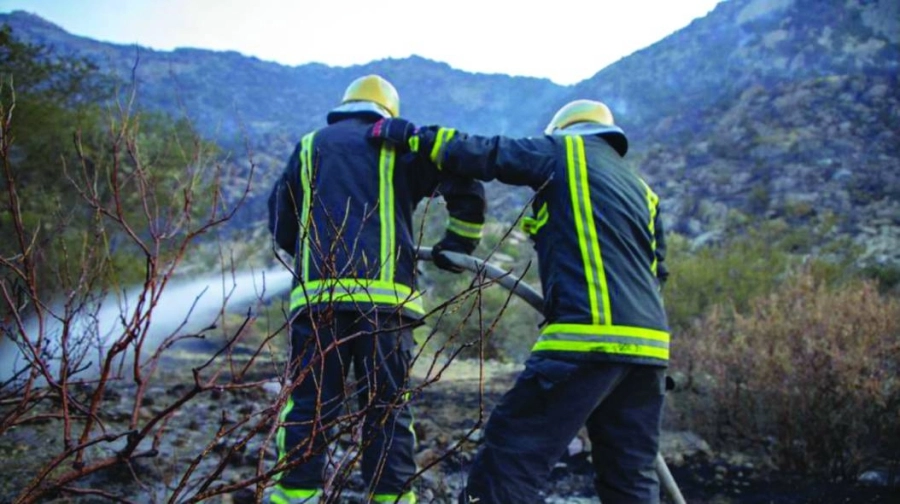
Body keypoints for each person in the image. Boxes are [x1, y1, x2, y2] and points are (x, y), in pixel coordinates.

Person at [369, 99, 669, 504]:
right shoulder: (642, 192)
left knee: (510, 457)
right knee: (630, 478)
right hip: (648, 352)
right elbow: (658, 271)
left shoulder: (567, 152)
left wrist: (413, 136)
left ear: (562, 132)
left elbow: (488, 154)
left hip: (586, 341)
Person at [267, 74, 486, 504]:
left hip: (318, 305)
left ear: (345, 106)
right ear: (389, 112)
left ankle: (296, 498)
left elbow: (281, 220)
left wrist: (312, 251)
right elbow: (466, 184)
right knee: (387, 412)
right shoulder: (401, 145)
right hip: (386, 310)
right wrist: (456, 245)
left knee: (308, 409)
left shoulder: (312, 145)